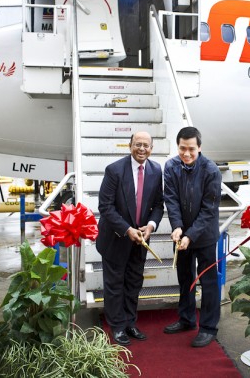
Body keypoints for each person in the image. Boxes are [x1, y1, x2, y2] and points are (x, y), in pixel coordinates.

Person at [96, 131, 164, 346]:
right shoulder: (115, 170)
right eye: (137, 144)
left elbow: (158, 205)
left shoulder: (155, 170)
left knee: (134, 282)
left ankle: (130, 322)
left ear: (151, 148)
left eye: (146, 145)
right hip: (116, 237)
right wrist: (127, 229)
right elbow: (105, 207)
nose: (141, 149)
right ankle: (117, 326)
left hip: (141, 239)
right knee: (115, 284)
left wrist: (151, 226)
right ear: (130, 146)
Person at [163, 126, 222, 348]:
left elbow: (209, 210)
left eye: (191, 150)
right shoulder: (170, 166)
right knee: (185, 278)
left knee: (208, 282)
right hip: (182, 236)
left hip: (204, 236)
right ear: (177, 146)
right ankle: (186, 319)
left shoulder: (211, 170)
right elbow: (171, 199)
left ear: (199, 147)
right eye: (182, 149)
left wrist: (191, 234)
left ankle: (208, 327)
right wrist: (177, 227)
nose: (186, 154)